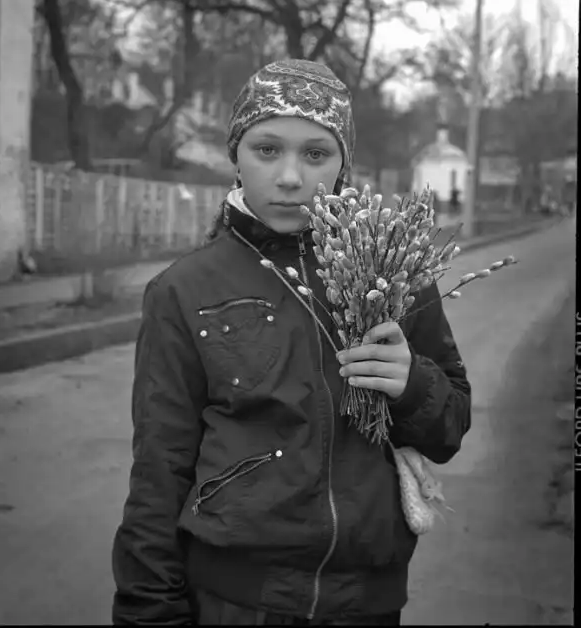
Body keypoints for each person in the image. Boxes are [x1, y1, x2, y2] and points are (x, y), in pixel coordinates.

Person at [111, 59, 472, 626]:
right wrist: (149, 612)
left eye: (315, 154)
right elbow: (160, 470)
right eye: (267, 149)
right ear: (236, 155)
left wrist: (411, 386)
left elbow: (449, 429)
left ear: (343, 163)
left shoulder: (392, 273)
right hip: (235, 603)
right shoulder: (184, 291)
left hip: (367, 604)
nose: (289, 177)